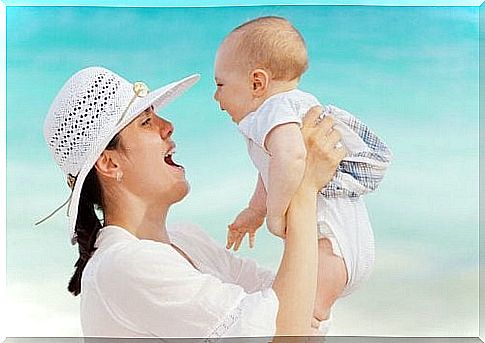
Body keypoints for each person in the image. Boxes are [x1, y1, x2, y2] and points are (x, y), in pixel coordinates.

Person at [40, 66, 346, 338]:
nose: (167, 125)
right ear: (109, 164)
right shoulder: (123, 265)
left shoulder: (188, 240)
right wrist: (304, 188)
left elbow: (303, 306)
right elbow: (284, 332)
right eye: (146, 122)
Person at [213, 16, 393, 332]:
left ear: (257, 83)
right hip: (344, 243)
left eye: (220, 85)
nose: (216, 98)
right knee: (304, 317)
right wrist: (255, 210)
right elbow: (272, 168)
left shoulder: (274, 110)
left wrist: (275, 214)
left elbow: (292, 158)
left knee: (297, 321)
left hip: (330, 243)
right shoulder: (293, 107)